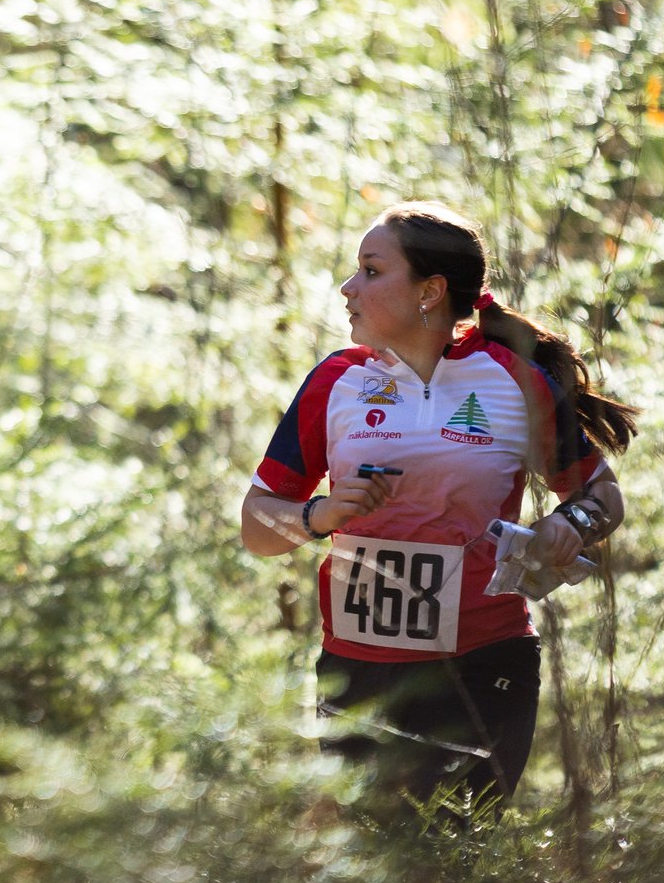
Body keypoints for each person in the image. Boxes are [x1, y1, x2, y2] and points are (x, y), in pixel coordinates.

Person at [238, 202, 634, 810]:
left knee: (462, 847)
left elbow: (602, 493)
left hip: (484, 661)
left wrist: (571, 522)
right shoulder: (335, 382)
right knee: (374, 851)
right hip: (359, 667)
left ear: (430, 291)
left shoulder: (511, 380)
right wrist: (321, 515)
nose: (348, 287)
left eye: (372, 271)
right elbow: (256, 526)